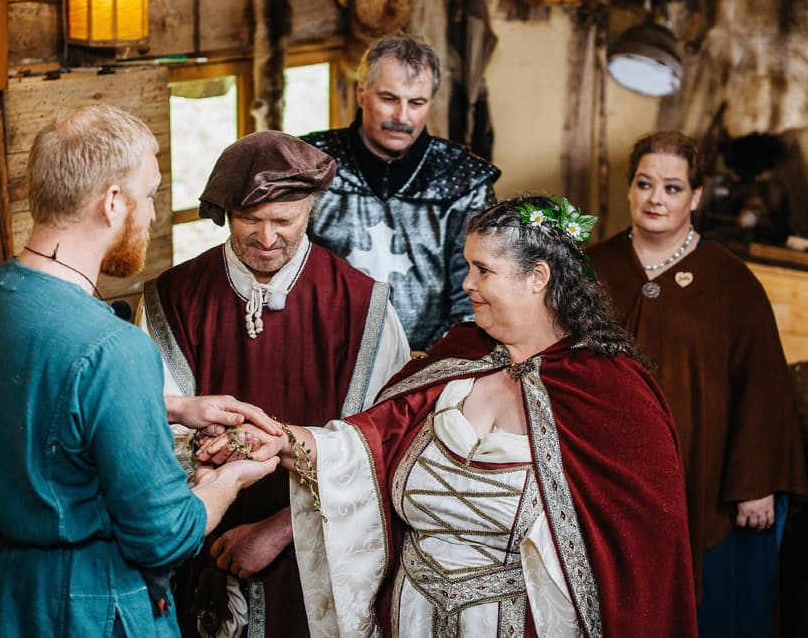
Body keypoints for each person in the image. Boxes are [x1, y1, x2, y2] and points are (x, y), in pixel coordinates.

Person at [220, 194, 698, 636]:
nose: (466, 283)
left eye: (482, 270)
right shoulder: (461, 356)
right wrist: (283, 440)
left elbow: (643, 563)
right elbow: (371, 442)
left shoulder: (611, 392)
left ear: (538, 278)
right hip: (413, 617)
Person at [0, 104, 280, 638]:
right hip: (88, 603)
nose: (151, 214)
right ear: (111, 202)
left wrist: (171, 407)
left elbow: (42, 404)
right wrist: (229, 479)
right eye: (148, 196)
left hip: (1, 590)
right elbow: (166, 535)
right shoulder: (115, 348)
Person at [138, 130, 410, 638]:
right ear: (224, 214)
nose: (266, 238)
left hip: (318, 559)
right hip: (203, 549)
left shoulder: (362, 308)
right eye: (249, 220)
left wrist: (281, 529)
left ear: (311, 209)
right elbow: (153, 436)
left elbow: (382, 451)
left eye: (283, 221)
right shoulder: (172, 300)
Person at [586, 130, 808, 637]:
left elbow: (763, 388)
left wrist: (755, 485)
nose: (655, 199)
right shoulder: (592, 267)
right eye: (645, 184)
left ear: (696, 196)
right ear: (629, 189)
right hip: (605, 475)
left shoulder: (730, 280)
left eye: (672, 188)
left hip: (698, 477)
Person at [302, 33, 501, 352]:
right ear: (361, 93)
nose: (402, 117)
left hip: (430, 363)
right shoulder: (310, 165)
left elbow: (476, 293)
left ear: (430, 104)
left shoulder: (464, 180)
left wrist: (431, 361)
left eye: (416, 103)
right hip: (325, 355)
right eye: (389, 99)